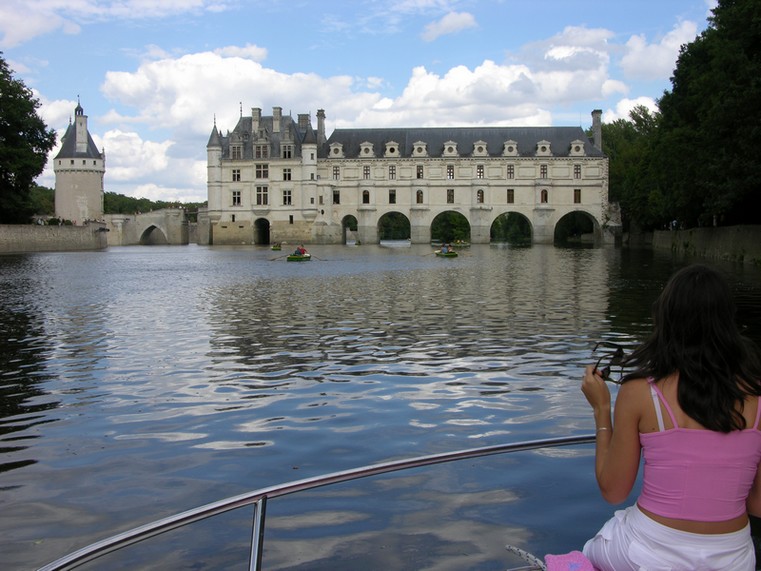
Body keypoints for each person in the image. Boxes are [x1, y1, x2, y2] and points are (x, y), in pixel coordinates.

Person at [581, 264, 761, 570]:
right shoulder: (757, 393)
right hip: (734, 558)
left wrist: (601, 411)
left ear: (666, 318)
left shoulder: (640, 391)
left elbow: (613, 491)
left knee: (590, 551)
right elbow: (757, 504)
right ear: (728, 321)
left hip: (650, 554)